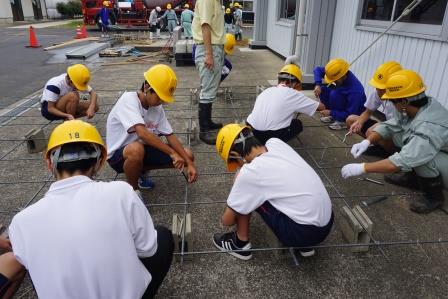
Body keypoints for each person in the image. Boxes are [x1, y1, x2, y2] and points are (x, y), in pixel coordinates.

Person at [8, 120, 174, 299]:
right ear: (100, 162)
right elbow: (147, 249)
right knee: (162, 236)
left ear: (50, 163)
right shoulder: (120, 192)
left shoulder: (21, 222)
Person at [213, 124, 334, 260]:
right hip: (327, 222)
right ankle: (305, 246)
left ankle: (240, 244)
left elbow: (227, 221)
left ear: (235, 154)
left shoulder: (252, 172)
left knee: (247, 191)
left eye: (235, 162)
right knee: (275, 189)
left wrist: (239, 181)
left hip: (303, 233)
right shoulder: (276, 143)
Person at [341, 70, 448, 214]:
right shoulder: (414, 105)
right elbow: (390, 125)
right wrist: (367, 141)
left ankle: (434, 196)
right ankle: (414, 179)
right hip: (437, 146)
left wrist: (363, 168)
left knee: (422, 157)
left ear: (403, 101)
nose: (390, 103)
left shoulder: (429, 125)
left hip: (443, 155)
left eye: (392, 100)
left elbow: (403, 160)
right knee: (401, 135)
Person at [106, 64, 198, 191]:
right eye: (159, 97)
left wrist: (190, 163)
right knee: (136, 149)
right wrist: (172, 153)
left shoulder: (157, 108)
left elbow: (170, 136)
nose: (162, 101)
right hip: (118, 157)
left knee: (187, 155)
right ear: (146, 87)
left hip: (141, 150)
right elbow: (142, 133)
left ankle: (138, 172)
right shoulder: (128, 100)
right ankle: (133, 192)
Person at [246, 63, 324, 144]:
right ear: (295, 83)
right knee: (297, 124)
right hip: (268, 135)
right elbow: (320, 107)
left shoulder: (267, 90)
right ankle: (274, 145)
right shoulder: (293, 93)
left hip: (250, 128)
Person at [346, 61, 402, 157]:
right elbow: (368, 112)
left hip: (400, 132)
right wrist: (359, 122)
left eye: (382, 88)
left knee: (372, 131)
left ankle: (390, 152)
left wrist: (378, 127)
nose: (379, 91)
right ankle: (379, 144)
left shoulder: (404, 99)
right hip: (389, 126)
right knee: (351, 120)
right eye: (377, 87)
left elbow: (400, 125)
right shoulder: (378, 93)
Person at [192, 0, 226, 145]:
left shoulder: (217, 2)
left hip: (215, 47)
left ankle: (208, 122)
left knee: (211, 87)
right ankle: (203, 130)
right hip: (209, 47)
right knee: (207, 89)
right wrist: (209, 54)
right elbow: (205, 25)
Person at [314, 58, 366, 130]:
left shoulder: (356, 91)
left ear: (343, 76)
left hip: (354, 113)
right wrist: (318, 84)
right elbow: (317, 69)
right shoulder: (339, 73)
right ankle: (335, 116)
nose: (334, 82)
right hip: (343, 101)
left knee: (334, 94)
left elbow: (350, 114)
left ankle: (342, 122)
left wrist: (331, 112)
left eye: (335, 80)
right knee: (323, 90)